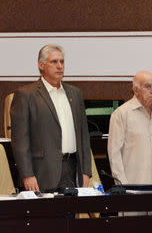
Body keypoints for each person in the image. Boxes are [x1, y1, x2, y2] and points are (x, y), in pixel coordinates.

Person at [10, 44, 92, 192]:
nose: (60, 66)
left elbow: (84, 136)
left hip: (72, 170)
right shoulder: (26, 95)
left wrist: (86, 171)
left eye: (62, 62)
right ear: (41, 65)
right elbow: (20, 141)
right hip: (41, 173)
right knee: (45, 215)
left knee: (70, 215)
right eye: (54, 62)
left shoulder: (75, 93)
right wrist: (27, 174)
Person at [108, 71, 152, 186]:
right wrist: (123, 185)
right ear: (136, 90)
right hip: (132, 189)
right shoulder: (121, 114)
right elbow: (114, 154)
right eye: (148, 86)